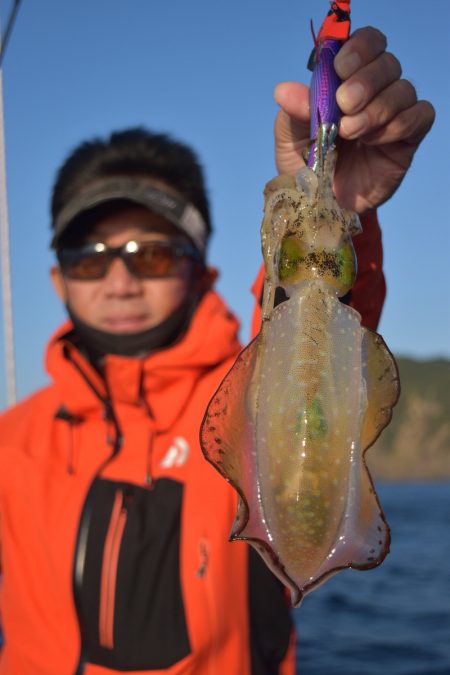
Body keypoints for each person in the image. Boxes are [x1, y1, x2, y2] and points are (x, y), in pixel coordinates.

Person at [0, 27, 434, 675]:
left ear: (199, 267)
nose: (120, 280)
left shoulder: (243, 389)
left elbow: (316, 321)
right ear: (58, 279)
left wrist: (335, 206)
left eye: (149, 252)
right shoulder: (13, 444)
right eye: (88, 259)